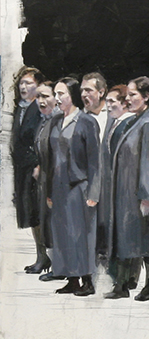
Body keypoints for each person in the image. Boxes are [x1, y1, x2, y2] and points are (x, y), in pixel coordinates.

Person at [46, 77, 101, 296]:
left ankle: (87, 280)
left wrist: (94, 191)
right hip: (59, 186)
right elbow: (51, 158)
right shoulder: (56, 121)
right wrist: (49, 191)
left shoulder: (86, 122)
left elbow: (95, 160)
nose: (57, 98)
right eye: (55, 94)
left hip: (79, 186)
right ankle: (71, 279)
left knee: (81, 234)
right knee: (62, 233)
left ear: (73, 96)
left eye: (61, 94)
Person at [108, 77, 149, 300]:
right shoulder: (135, 120)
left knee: (144, 240)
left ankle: (146, 286)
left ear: (146, 96)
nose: (127, 99)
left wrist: (146, 196)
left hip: (137, 193)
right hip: (125, 190)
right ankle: (122, 285)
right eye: (127, 95)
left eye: (133, 95)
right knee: (127, 237)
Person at [99, 85, 134, 296]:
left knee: (123, 235)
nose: (108, 105)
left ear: (124, 103)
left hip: (124, 187)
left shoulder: (129, 124)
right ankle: (120, 280)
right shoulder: (114, 123)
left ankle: (124, 282)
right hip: (111, 186)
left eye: (113, 101)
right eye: (108, 101)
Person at [11, 66, 46, 272]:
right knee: (31, 213)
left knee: (39, 212)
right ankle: (41, 255)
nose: (23, 87)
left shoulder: (40, 108)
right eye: (21, 83)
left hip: (36, 167)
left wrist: (39, 164)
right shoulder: (21, 108)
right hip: (23, 168)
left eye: (28, 83)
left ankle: (46, 256)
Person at [31, 81, 59, 279]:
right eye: (38, 96)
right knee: (44, 220)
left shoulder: (58, 120)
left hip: (56, 177)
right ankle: (46, 259)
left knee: (56, 221)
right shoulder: (44, 120)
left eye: (45, 96)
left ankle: (60, 266)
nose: (41, 100)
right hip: (44, 178)